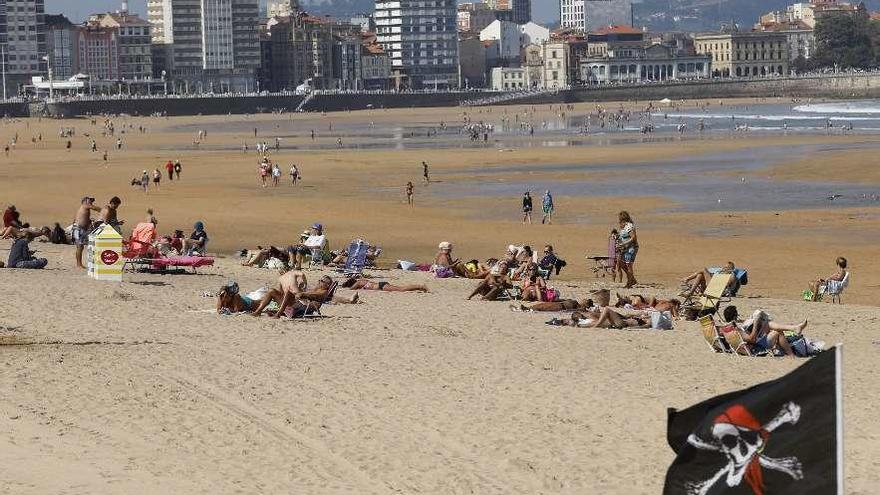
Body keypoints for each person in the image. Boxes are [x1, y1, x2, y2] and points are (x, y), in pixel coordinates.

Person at [723, 306, 807, 357]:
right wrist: (755, 323)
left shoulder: (728, 329)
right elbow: (752, 339)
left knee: (766, 323)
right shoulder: (736, 330)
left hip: (755, 342)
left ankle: (795, 327)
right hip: (756, 346)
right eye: (737, 315)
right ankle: (791, 355)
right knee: (778, 332)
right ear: (734, 317)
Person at [73, 197, 100, 269]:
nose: (91, 202)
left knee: (81, 247)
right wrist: (104, 210)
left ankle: (79, 264)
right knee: (80, 246)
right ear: (85, 201)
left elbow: (81, 219)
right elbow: (95, 208)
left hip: (80, 229)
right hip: (79, 229)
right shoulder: (85, 205)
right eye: (90, 201)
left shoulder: (84, 209)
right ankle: (79, 265)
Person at [617, 211, 638, 288]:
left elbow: (633, 237)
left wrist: (624, 243)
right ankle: (632, 279)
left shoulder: (630, 226)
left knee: (628, 265)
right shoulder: (623, 226)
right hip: (624, 248)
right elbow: (623, 237)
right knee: (621, 264)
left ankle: (629, 282)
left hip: (631, 248)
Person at [341, 277, 428, 293]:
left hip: (381, 286)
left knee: (402, 289)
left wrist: (345, 287)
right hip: (381, 285)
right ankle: (419, 288)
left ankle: (420, 286)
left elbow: (351, 289)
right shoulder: (362, 281)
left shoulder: (358, 282)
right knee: (401, 289)